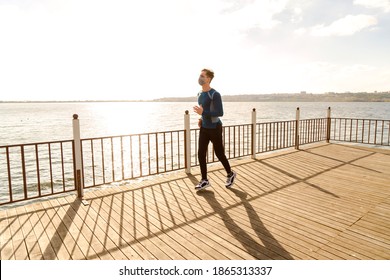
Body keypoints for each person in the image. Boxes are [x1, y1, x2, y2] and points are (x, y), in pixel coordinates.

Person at [193, 69, 237, 191]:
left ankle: (230, 174)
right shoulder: (199, 94)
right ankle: (204, 180)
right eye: (199, 75)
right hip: (204, 128)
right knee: (201, 153)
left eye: (202, 76)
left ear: (208, 79)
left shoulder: (215, 94)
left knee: (219, 154)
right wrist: (202, 118)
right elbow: (204, 110)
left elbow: (219, 113)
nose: (200, 77)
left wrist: (204, 113)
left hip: (215, 128)